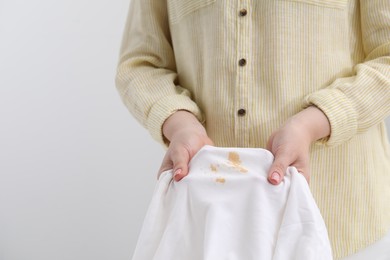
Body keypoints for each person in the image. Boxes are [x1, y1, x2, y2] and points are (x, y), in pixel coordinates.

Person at [115, 0, 390, 259]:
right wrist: (179, 121)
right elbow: (141, 63)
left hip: (344, 225)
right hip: (207, 228)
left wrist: (314, 123)